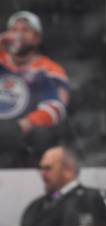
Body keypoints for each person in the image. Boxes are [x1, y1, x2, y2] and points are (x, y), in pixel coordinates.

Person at [0, 11, 70, 168]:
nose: (18, 35)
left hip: (23, 137)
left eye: (25, 30)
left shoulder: (49, 69)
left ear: (37, 38)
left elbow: (56, 108)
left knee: (41, 135)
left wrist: (26, 124)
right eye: (14, 30)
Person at [20, 146, 106, 226]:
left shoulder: (98, 199)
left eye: (48, 168)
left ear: (68, 170)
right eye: (41, 169)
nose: (42, 174)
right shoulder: (35, 207)